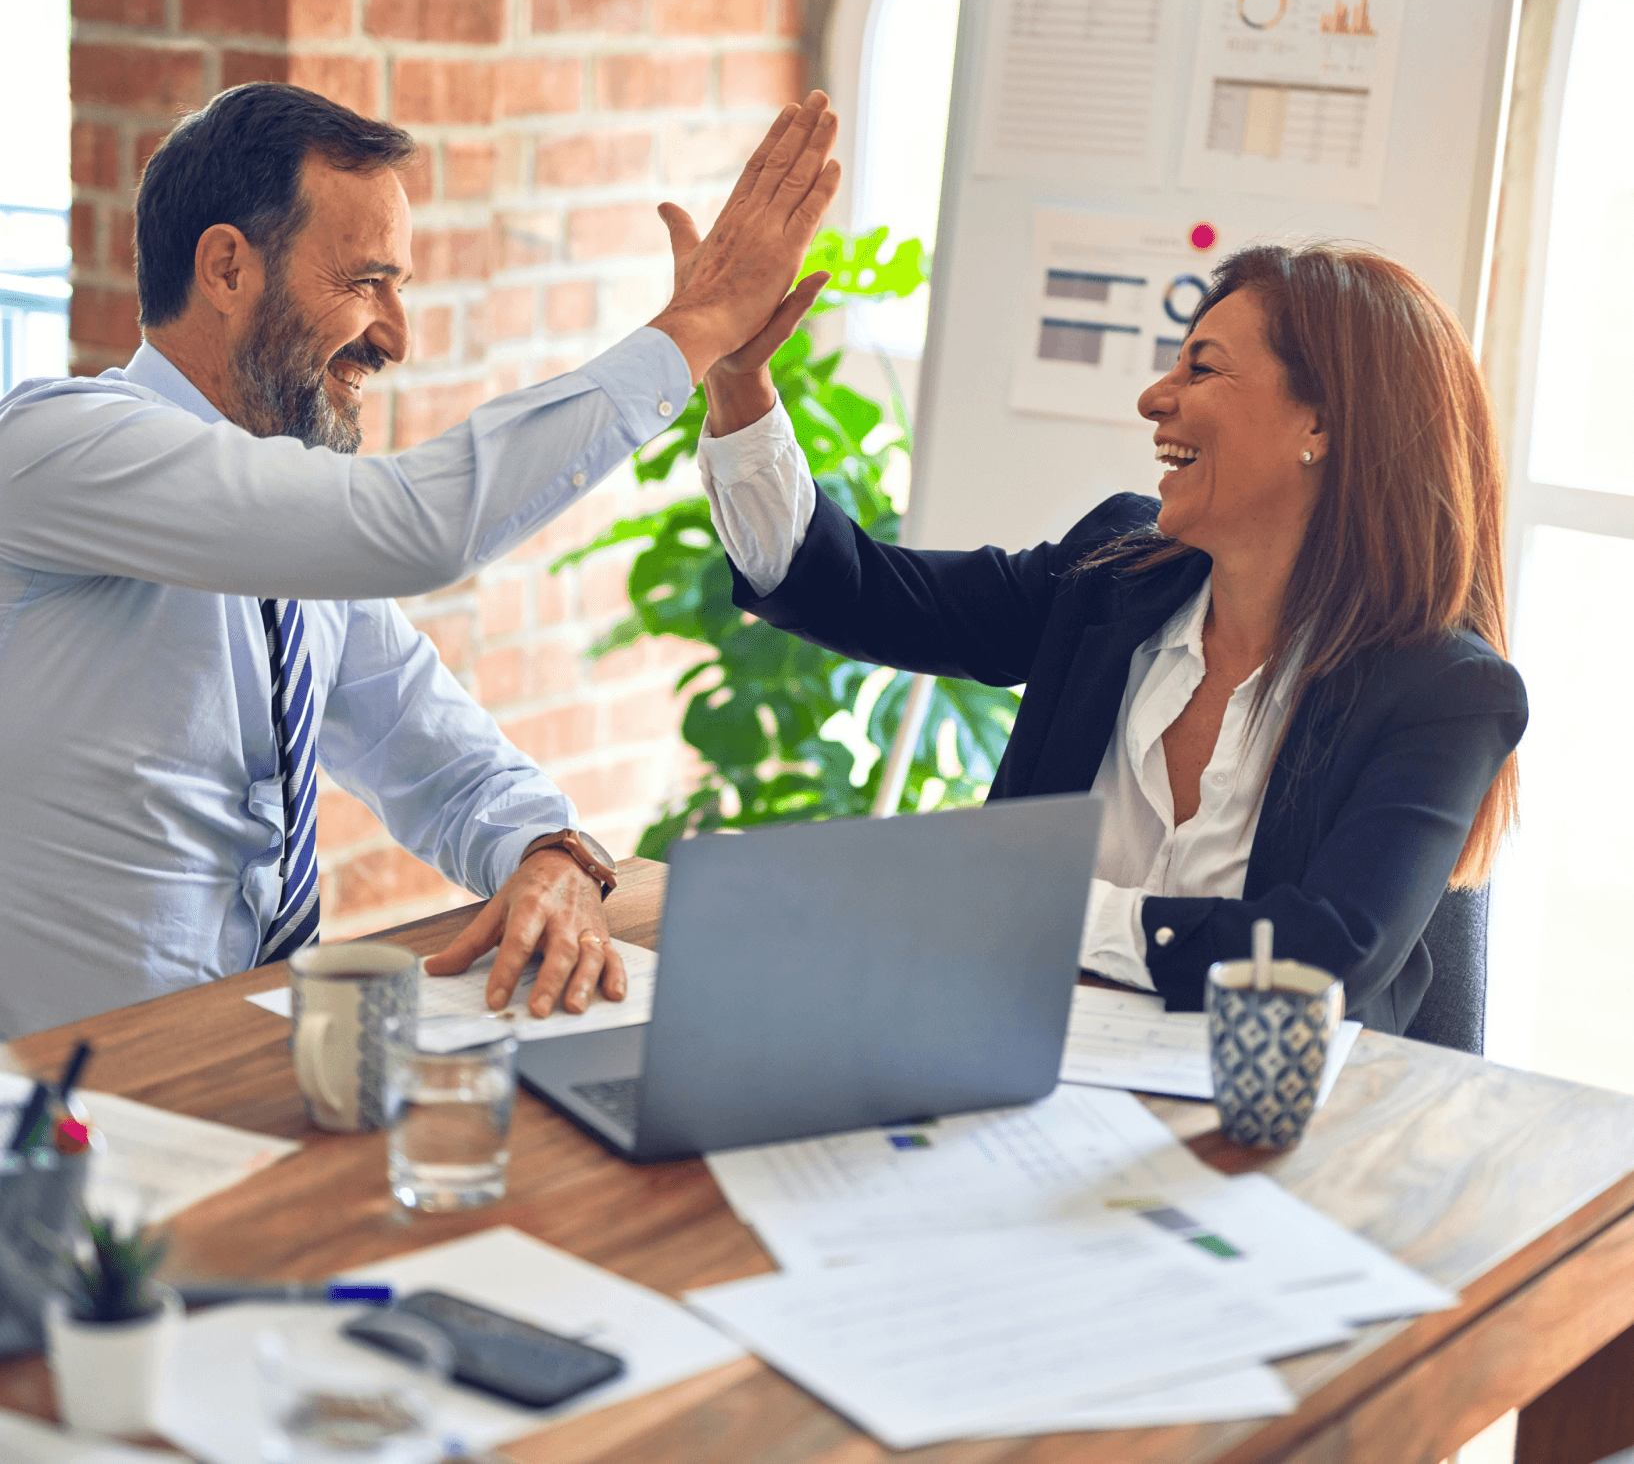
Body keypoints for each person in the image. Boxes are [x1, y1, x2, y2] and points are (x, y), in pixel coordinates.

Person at [0, 81, 839, 1040]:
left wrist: (550, 853)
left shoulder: (293, 535)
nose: (399, 336)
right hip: (51, 1108)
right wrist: (692, 331)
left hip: (244, 1064)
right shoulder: (55, 448)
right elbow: (414, 525)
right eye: (366, 283)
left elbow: (445, 762)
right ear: (227, 269)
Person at [695, 243, 1527, 1033]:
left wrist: (1039, 905)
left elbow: (1319, 958)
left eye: (1201, 367)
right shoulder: (1114, 575)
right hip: (1020, 1069)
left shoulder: (1445, 691)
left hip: (1281, 1136)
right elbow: (865, 595)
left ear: (1321, 424)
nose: (1154, 398)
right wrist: (740, 387)